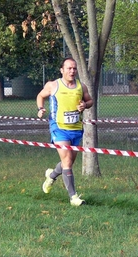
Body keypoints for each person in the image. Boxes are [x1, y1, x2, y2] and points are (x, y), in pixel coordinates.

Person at [36, 57, 93, 206]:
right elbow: (40, 96)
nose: (72, 71)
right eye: (69, 68)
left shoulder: (82, 87)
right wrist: (41, 109)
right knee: (66, 161)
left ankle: (52, 175)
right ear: (62, 70)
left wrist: (84, 105)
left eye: (74, 68)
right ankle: (73, 197)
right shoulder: (53, 85)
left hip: (76, 129)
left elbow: (90, 101)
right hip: (58, 128)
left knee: (68, 162)